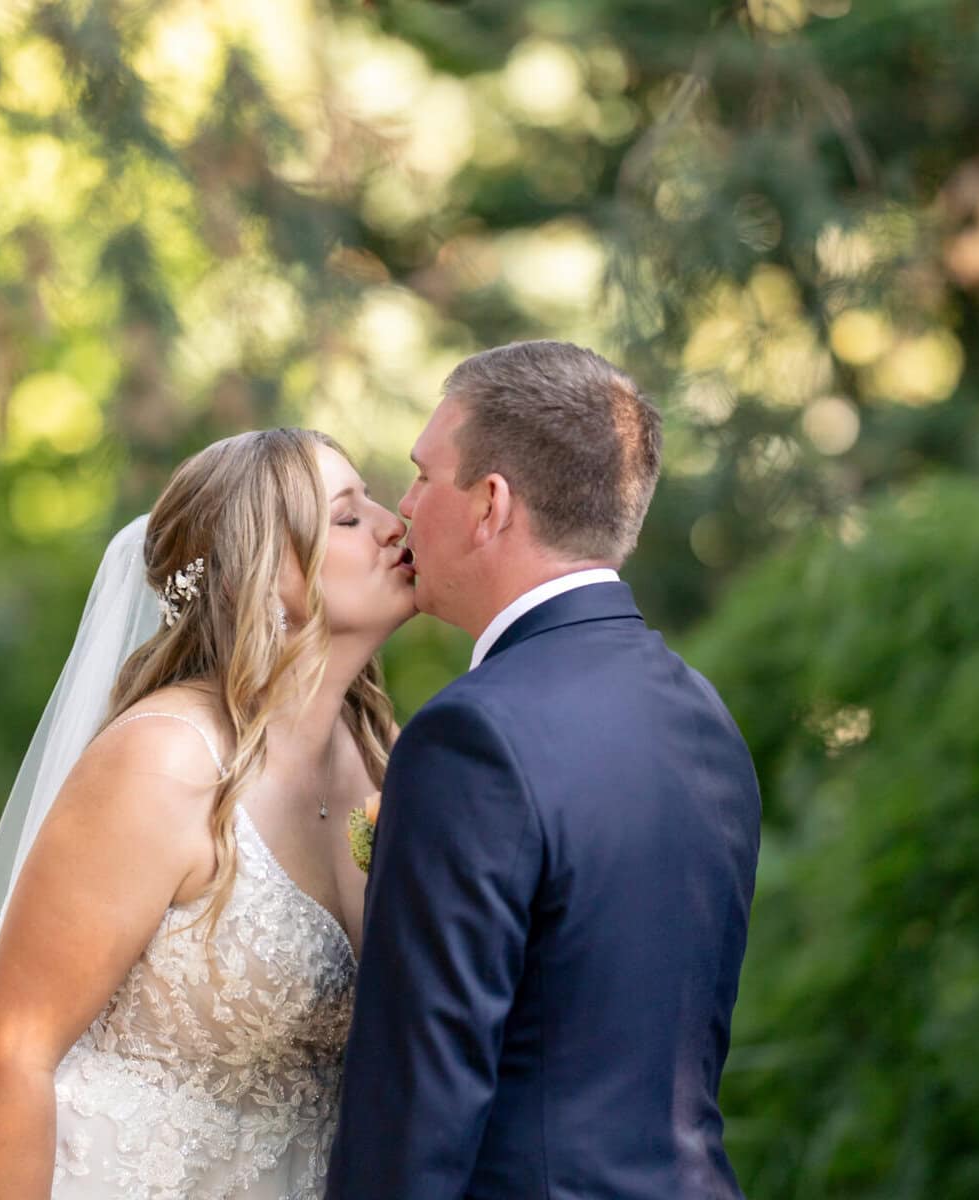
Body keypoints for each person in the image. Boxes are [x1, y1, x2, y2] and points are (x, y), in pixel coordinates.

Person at [0, 428, 415, 1200]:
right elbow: (9, 1054)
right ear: (261, 579)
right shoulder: (167, 760)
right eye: (345, 516)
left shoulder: (385, 760)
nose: (392, 521)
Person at [326, 340, 763, 1199]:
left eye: (421, 476)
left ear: (490, 504)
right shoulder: (700, 714)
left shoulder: (470, 738)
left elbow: (418, 1100)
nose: (403, 508)